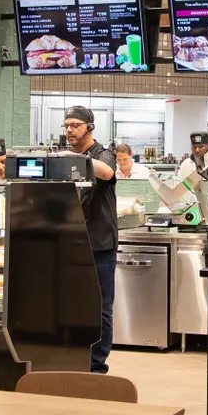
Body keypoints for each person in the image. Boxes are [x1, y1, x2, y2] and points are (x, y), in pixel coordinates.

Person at [62, 106, 118, 373]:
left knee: (101, 306)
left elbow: (106, 173)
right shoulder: (70, 156)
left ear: (89, 127)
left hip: (99, 244)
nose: (70, 130)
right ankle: (72, 359)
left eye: (75, 125)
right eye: (66, 125)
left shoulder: (103, 154)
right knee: (73, 303)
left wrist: (68, 159)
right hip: (70, 243)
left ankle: (96, 365)